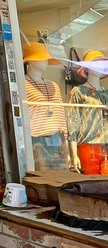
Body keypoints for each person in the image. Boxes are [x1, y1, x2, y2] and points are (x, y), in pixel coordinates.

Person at [67, 49, 108, 175]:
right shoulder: (79, 92)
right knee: (92, 188)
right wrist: (73, 155)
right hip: (89, 147)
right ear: (87, 68)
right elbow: (73, 124)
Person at [23, 42, 69, 170]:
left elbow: (60, 115)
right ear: (30, 62)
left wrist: (65, 143)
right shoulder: (23, 85)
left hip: (57, 138)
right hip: (37, 139)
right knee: (42, 178)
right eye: (41, 58)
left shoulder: (53, 86)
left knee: (62, 179)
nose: (45, 62)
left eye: (45, 58)